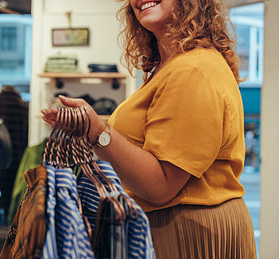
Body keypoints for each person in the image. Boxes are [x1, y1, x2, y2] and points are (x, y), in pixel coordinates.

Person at [42, 0, 257, 258]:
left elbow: (161, 186)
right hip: (175, 223)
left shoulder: (193, 70)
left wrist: (98, 132)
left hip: (186, 231)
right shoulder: (171, 66)